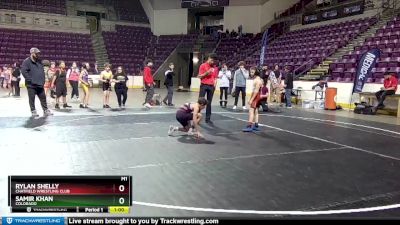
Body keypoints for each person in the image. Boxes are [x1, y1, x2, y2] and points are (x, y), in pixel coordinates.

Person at [21, 47, 52, 117]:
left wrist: (43, 80)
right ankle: (33, 111)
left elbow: (41, 71)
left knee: (43, 98)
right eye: (36, 53)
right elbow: (24, 71)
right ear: (32, 53)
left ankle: (45, 110)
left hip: (40, 84)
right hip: (31, 85)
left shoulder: (39, 61)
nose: (38, 54)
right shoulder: (26, 61)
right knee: (32, 98)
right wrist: (30, 80)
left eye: (38, 53)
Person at [198, 53, 218, 124]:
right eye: (211, 60)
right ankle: (197, 117)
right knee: (200, 102)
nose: (212, 62)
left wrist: (214, 85)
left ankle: (208, 119)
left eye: (214, 61)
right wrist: (207, 72)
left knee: (209, 103)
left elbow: (215, 77)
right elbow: (199, 76)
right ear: (209, 58)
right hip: (203, 85)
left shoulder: (215, 67)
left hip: (211, 86)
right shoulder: (203, 65)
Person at [243, 68, 263, 132]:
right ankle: (256, 126)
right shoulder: (259, 79)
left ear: (256, 72)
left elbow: (256, 91)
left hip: (256, 96)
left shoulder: (257, 80)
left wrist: (251, 99)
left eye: (252, 72)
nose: (250, 73)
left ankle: (249, 126)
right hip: (258, 96)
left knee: (251, 111)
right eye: (250, 72)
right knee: (256, 111)